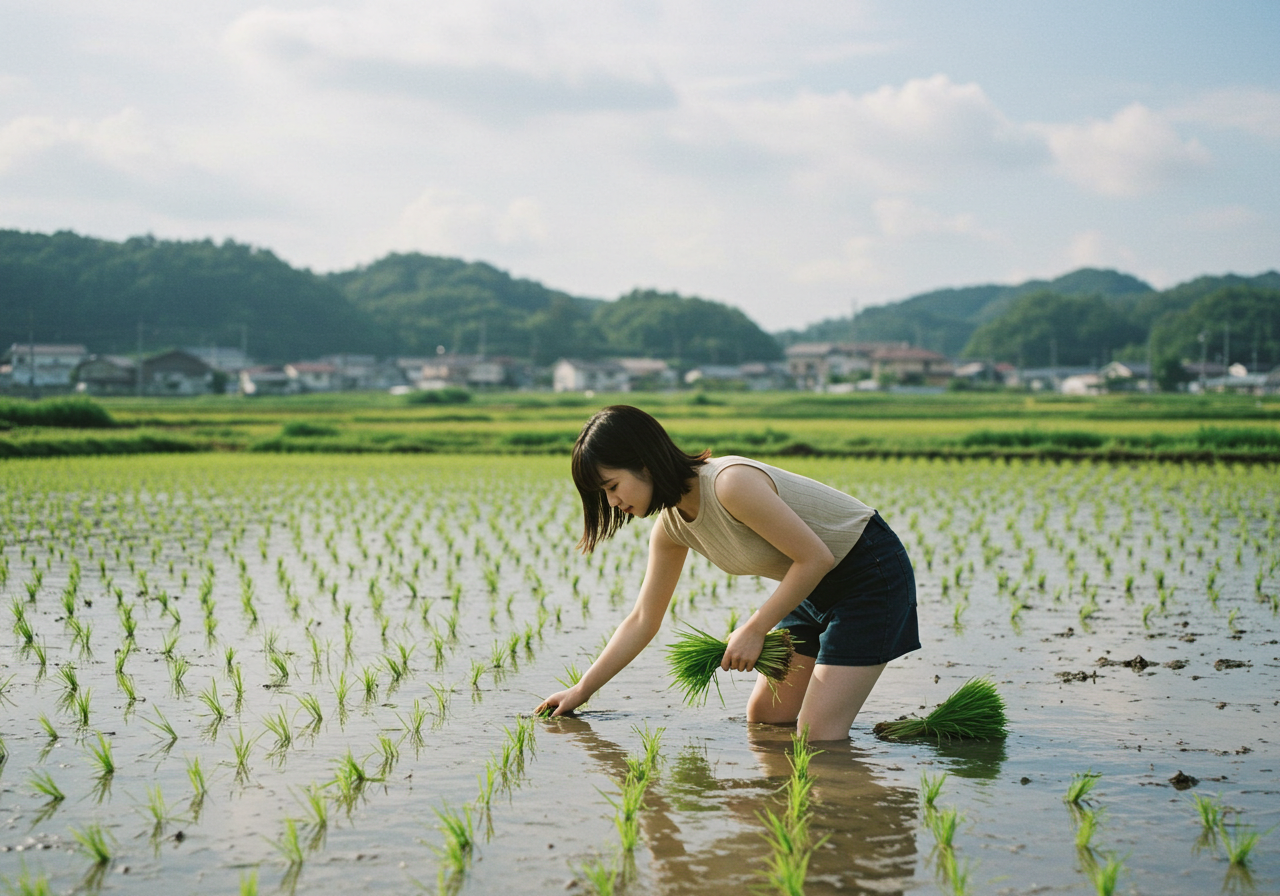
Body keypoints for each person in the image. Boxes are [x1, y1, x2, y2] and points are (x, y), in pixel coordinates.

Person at [534, 405, 919, 741]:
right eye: (603, 495)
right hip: (811, 588)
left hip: (870, 574)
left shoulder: (729, 484)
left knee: (816, 735)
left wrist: (755, 629)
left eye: (612, 486)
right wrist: (581, 690)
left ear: (644, 464)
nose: (612, 501)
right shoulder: (671, 529)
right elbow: (642, 620)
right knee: (766, 718)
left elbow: (816, 558)